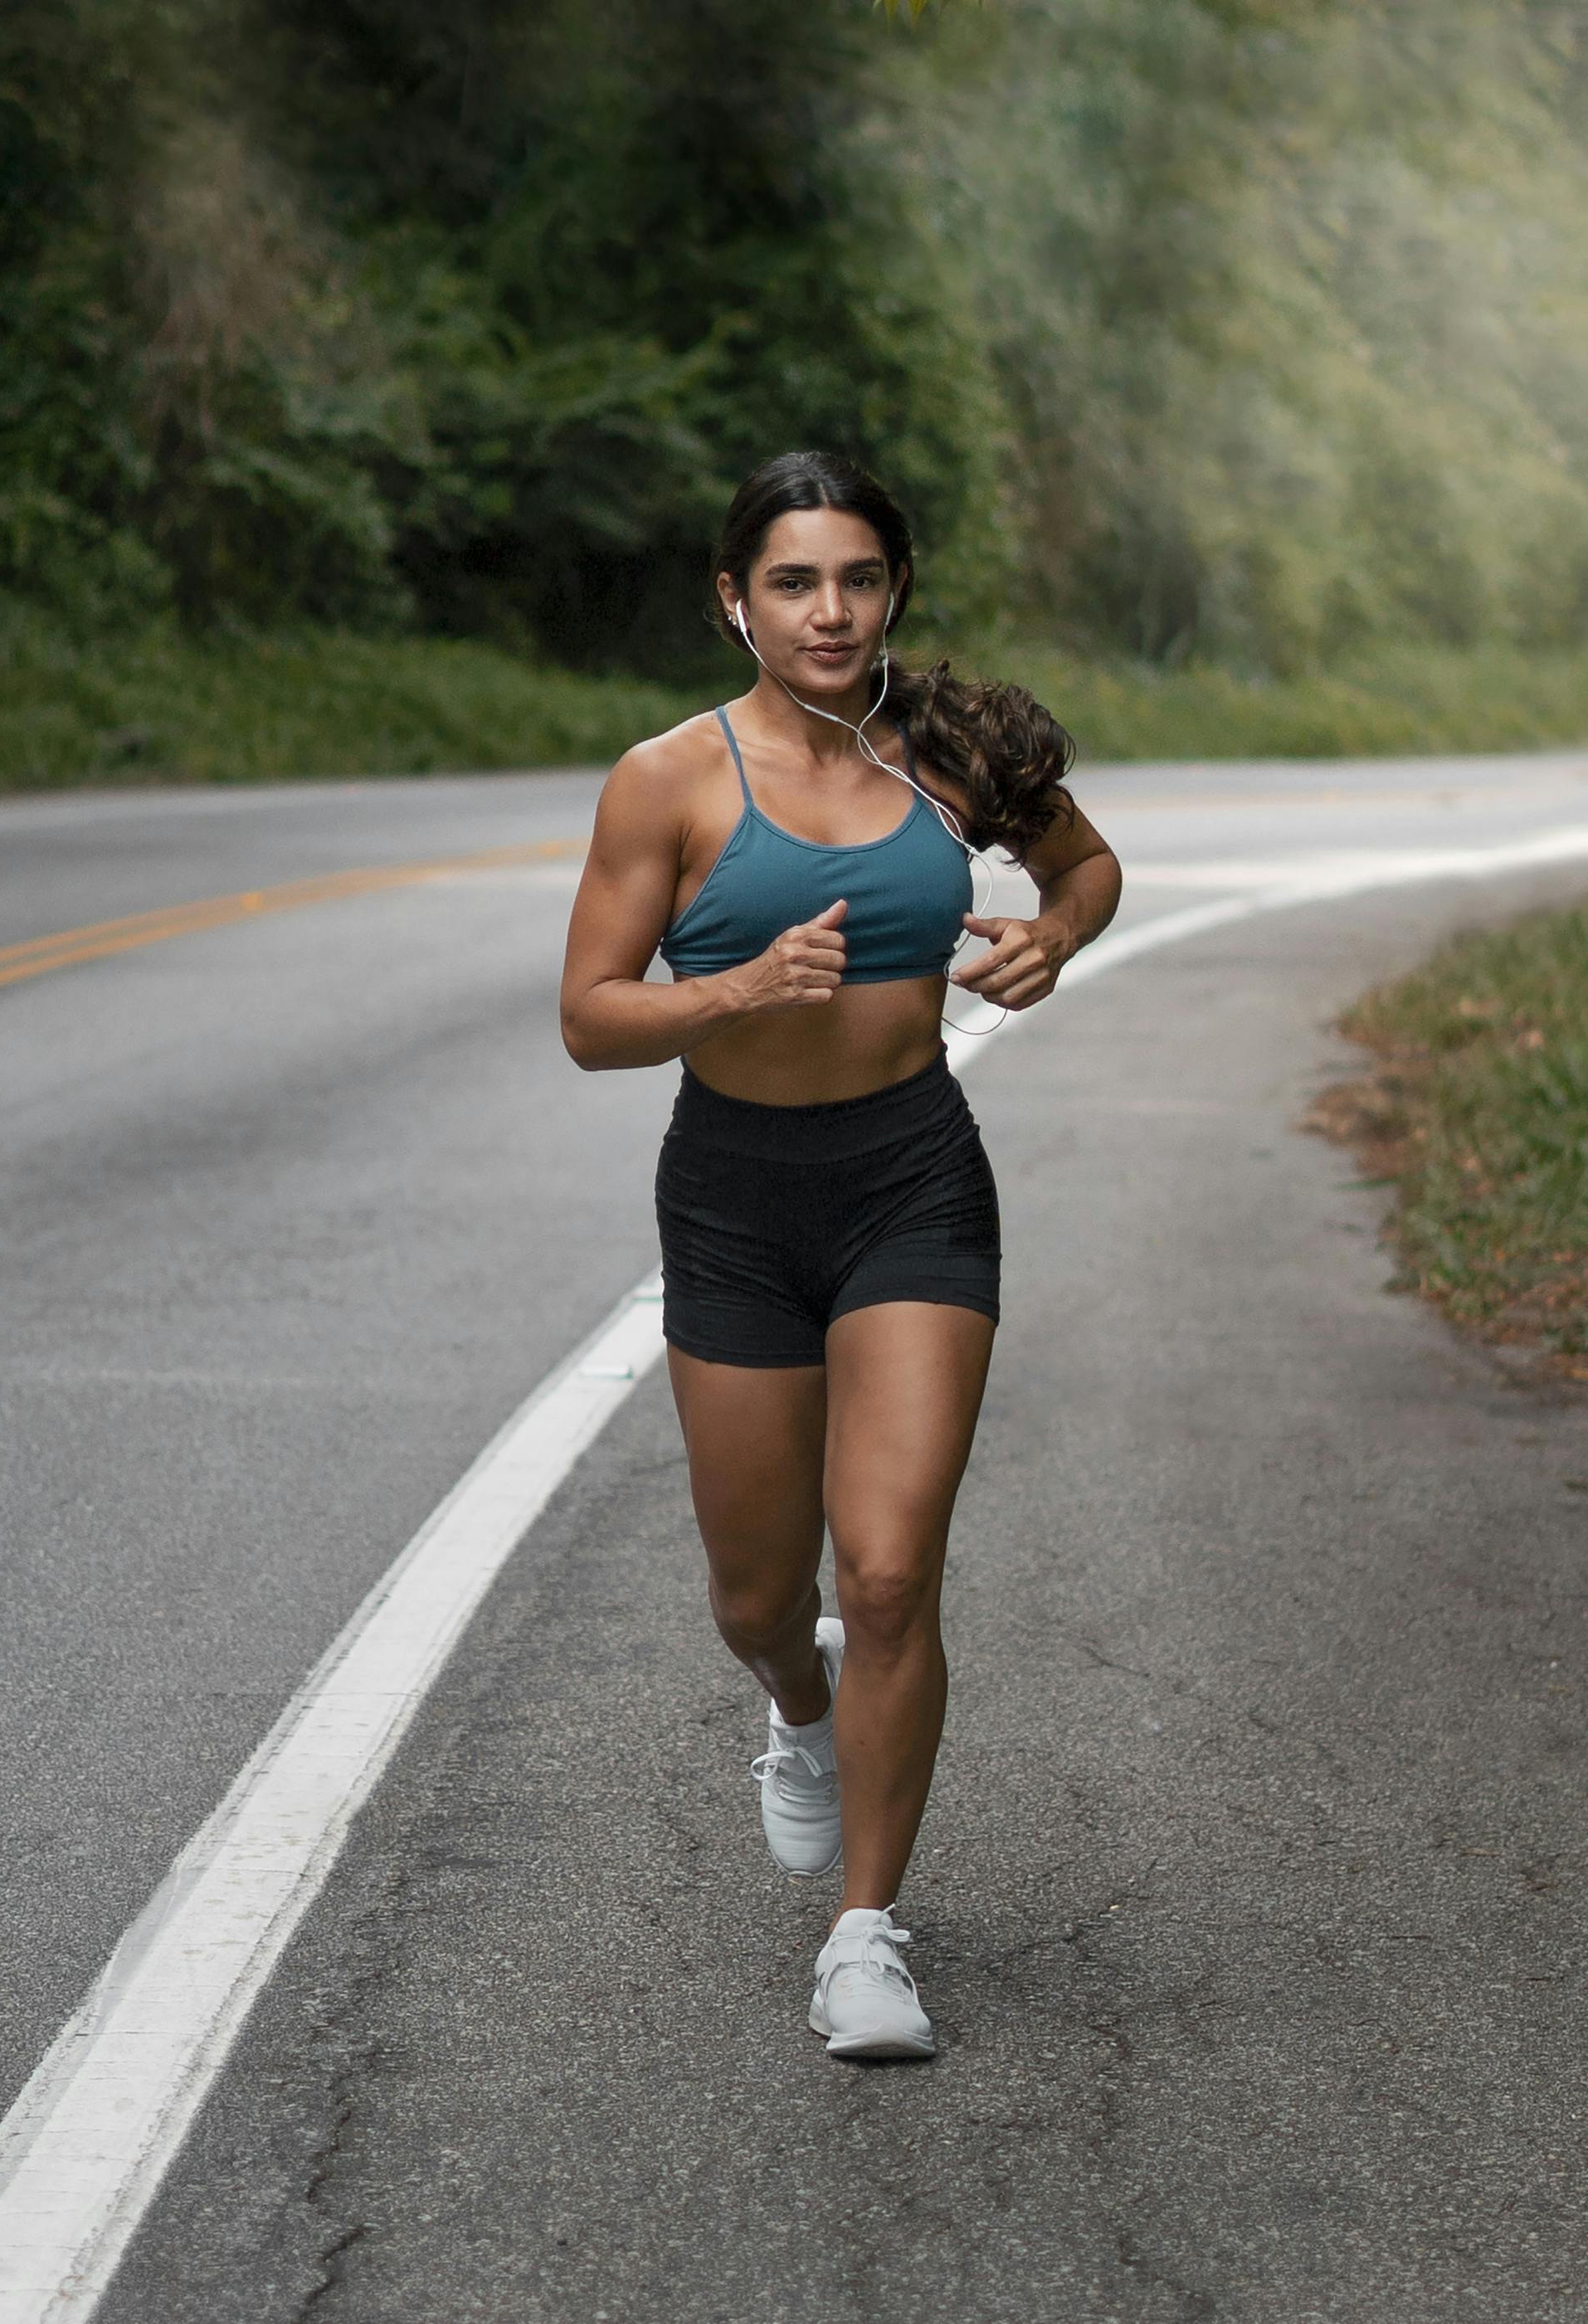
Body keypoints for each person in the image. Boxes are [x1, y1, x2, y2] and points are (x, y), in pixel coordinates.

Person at [560, 450, 1122, 2060]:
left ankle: (864, 1935)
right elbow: (591, 1018)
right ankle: (792, 1707)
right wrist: (732, 990)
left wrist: (1052, 938)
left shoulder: (955, 750)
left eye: (858, 579)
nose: (829, 610)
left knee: (887, 1570)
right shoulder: (667, 779)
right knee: (759, 1593)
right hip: (734, 1195)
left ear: (893, 592)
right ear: (735, 598)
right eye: (793, 581)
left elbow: (1082, 864)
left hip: (911, 1179)